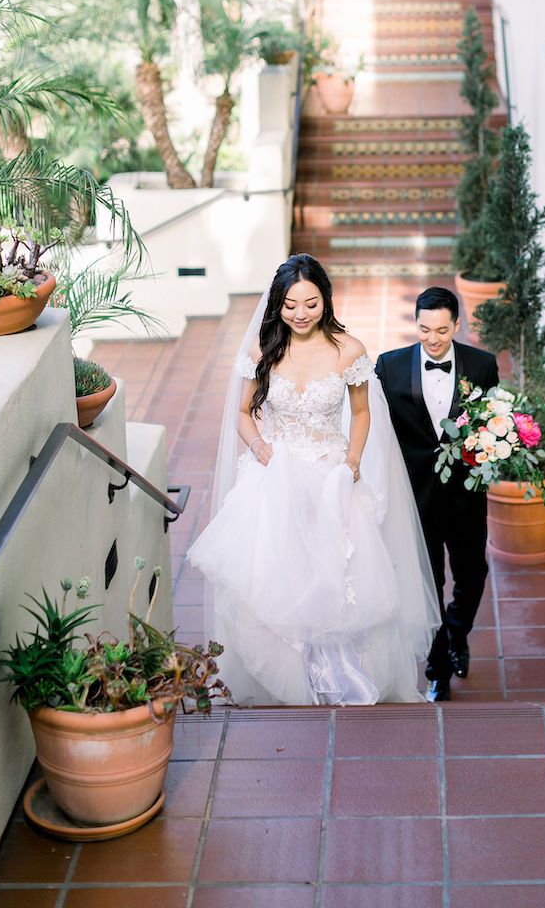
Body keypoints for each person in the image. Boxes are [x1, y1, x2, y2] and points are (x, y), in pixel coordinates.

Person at [188, 254, 440, 706]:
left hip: (331, 477)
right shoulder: (261, 349)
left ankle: (339, 676)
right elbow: (243, 415)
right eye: (289, 305)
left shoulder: (349, 350)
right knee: (277, 576)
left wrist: (353, 460)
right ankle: (288, 678)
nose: (300, 314)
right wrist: (261, 449)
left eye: (310, 303)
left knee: (337, 576)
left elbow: (361, 413)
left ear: (325, 299)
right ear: (276, 305)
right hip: (275, 475)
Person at [376, 287, 499, 702]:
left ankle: (456, 635)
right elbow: (376, 430)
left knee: (472, 575)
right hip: (415, 499)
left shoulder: (482, 365)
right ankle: (437, 669)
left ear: (457, 325)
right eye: (425, 329)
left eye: (442, 330)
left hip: (466, 495)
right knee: (428, 583)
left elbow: (492, 422)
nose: (432, 338)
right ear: (416, 323)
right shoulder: (388, 367)